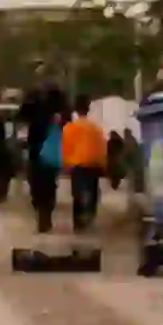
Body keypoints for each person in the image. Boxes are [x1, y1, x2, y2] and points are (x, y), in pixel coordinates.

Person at [17, 69, 69, 233]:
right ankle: (42, 212)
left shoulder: (58, 97)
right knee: (38, 181)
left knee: (46, 182)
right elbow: (21, 118)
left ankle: (44, 214)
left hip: (49, 145)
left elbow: (67, 119)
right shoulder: (33, 98)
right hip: (37, 145)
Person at [62, 96, 108, 232]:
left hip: (77, 165)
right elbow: (102, 148)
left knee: (77, 194)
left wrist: (65, 165)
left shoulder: (69, 128)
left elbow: (66, 148)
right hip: (93, 164)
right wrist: (103, 164)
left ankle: (78, 223)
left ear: (76, 110)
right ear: (88, 109)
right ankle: (90, 217)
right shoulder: (96, 128)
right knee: (93, 191)